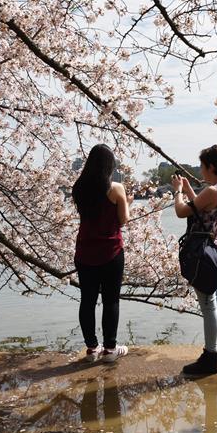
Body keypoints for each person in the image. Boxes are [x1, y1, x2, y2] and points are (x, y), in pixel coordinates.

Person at [171, 145, 217, 375]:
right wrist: (191, 192)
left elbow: (181, 212)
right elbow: (205, 210)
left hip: (203, 253)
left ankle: (210, 356)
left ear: (210, 166)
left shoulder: (211, 191)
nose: (200, 170)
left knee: (208, 304)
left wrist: (178, 191)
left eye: (202, 166)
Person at [72, 144, 132, 363]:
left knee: (87, 300)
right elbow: (123, 220)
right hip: (111, 251)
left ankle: (91, 349)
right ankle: (109, 348)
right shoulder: (116, 188)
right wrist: (128, 204)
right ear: (109, 165)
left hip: (85, 251)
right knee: (111, 300)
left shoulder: (78, 188)